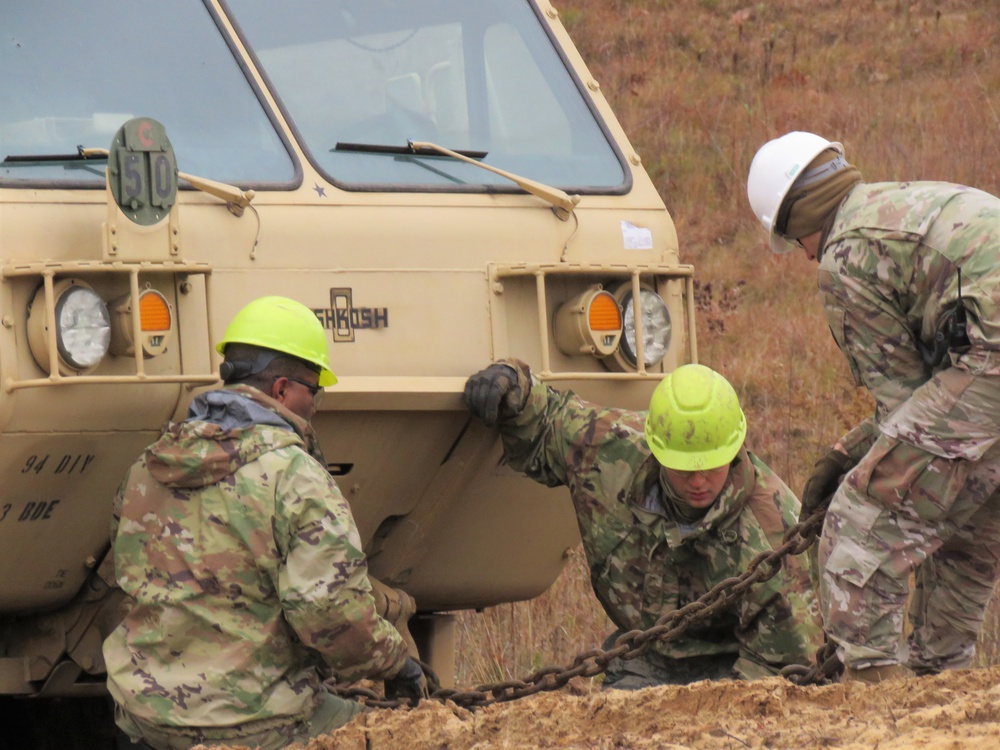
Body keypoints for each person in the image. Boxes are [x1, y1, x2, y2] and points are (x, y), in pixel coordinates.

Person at [103, 296, 426, 750]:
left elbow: (127, 577)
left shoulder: (146, 468)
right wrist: (396, 664)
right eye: (314, 391)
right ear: (281, 391)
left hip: (146, 720)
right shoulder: (295, 477)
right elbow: (328, 612)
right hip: (258, 724)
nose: (316, 406)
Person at [746, 131, 1000, 683]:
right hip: (985, 366)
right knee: (966, 520)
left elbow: (905, 401)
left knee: (862, 525)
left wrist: (847, 465)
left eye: (793, 243)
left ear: (798, 221)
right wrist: (850, 450)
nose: (804, 256)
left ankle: (873, 698)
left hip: (990, 362)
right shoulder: (900, 204)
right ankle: (943, 692)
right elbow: (930, 408)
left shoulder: (845, 256)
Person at [463, 360, 823, 687]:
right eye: (683, 468)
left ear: (735, 449)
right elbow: (547, 421)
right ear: (657, 449)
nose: (698, 482)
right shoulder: (611, 450)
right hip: (646, 659)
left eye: (711, 466)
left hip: (737, 667)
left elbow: (787, 667)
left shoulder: (773, 535)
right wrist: (513, 385)